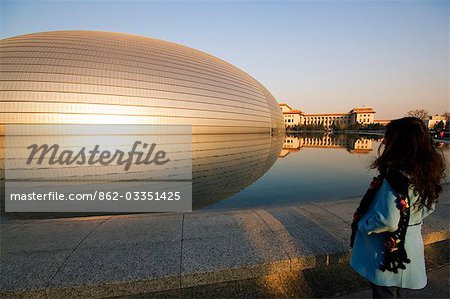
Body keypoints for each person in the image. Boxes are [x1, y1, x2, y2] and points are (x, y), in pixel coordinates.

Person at [350, 117, 446, 298]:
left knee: (384, 293)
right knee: (399, 293)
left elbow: (388, 220)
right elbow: (429, 207)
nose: (384, 142)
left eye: (389, 137)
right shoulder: (424, 174)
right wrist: (411, 221)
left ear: (399, 143)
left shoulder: (395, 178)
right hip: (410, 245)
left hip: (387, 253)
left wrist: (364, 225)